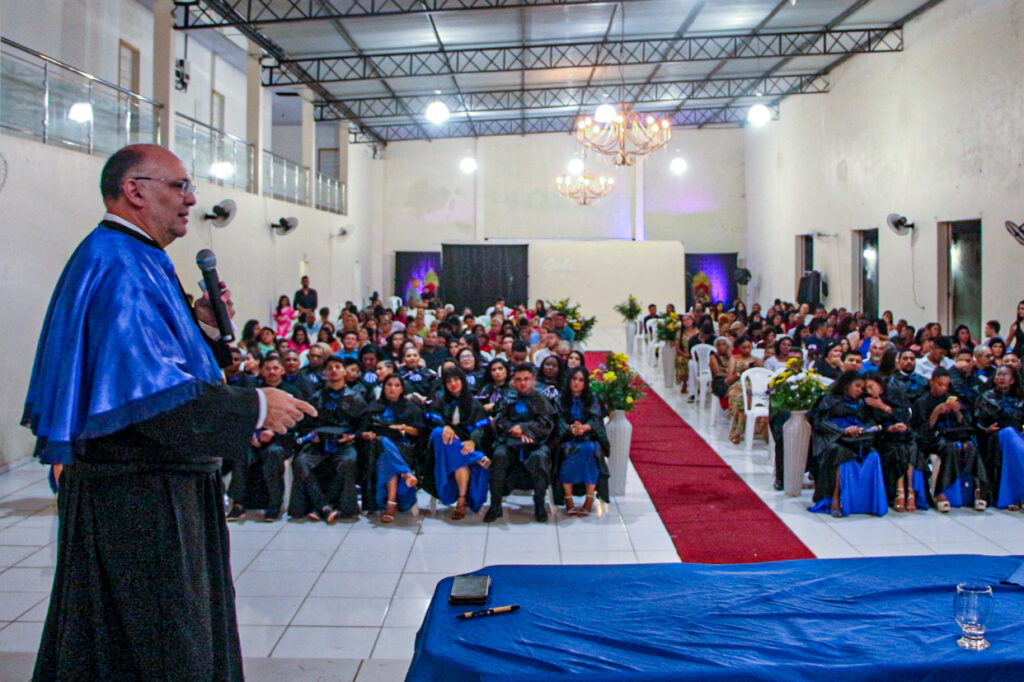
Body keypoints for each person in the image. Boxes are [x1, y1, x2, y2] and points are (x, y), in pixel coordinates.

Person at [22, 144, 314, 681]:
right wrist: (255, 406)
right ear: (134, 190)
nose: (192, 199)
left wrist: (201, 328)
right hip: (141, 497)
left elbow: (153, 367)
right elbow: (147, 404)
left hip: (151, 487)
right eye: (179, 186)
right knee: (157, 643)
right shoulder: (119, 267)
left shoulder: (136, 257)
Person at [291, 355, 366, 522]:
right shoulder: (316, 397)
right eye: (330, 367)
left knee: (349, 461)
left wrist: (352, 437)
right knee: (301, 461)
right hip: (319, 443)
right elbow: (305, 423)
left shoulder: (355, 397)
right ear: (324, 372)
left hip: (343, 444)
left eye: (337, 367)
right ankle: (324, 505)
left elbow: (363, 424)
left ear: (345, 371)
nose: (333, 370)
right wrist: (313, 435)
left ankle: (327, 506)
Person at [487, 364, 558, 522]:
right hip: (510, 440)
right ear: (513, 382)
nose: (522, 383)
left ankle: (539, 502)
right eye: (518, 380)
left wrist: (525, 429)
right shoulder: (507, 397)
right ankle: (495, 504)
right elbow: (498, 419)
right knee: (499, 455)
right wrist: (513, 429)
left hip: (536, 442)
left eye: (526, 379)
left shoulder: (541, 399)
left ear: (534, 381)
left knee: (539, 458)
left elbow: (547, 423)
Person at [912, 367, 987, 512]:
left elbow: (965, 424)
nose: (943, 388)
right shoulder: (921, 402)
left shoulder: (951, 398)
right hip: (932, 439)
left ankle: (979, 489)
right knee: (949, 447)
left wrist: (958, 413)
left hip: (953, 434)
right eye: (940, 384)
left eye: (946, 385)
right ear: (932, 382)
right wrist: (936, 413)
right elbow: (921, 433)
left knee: (970, 446)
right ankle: (941, 492)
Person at [426, 367, 491, 519]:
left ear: (462, 381)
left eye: (456, 380)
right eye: (448, 382)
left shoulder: (473, 402)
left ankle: (461, 501)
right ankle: (475, 457)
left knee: (459, 460)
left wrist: (472, 441)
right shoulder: (440, 399)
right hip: (442, 446)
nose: (453, 384)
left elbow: (479, 427)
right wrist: (445, 426)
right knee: (437, 433)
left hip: (464, 444)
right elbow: (432, 418)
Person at [360, 374, 425, 522]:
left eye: (397, 385)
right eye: (389, 385)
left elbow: (419, 433)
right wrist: (367, 435)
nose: (392, 389)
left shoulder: (410, 407)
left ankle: (390, 505)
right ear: (383, 387)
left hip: (403, 448)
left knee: (386, 453)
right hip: (375, 449)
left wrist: (403, 427)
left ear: (402, 389)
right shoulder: (374, 406)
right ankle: (405, 475)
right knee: (382, 442)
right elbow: (361, 431)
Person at [553, 367, 610, 515]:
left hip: (588, 437)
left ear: (585, 383)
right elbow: (558, 421)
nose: (577, 383)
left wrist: (585, 427)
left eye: (580, 380)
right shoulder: (560, 399)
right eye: (574, 379)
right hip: (567, 439)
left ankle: (589, 500)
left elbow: (597, 419)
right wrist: (570, 428)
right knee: (569, 452)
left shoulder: (592, 398)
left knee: (590, 450)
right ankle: (568, 500)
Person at [973, 365, 1024, 510]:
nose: (1001, 378)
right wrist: (986, 429)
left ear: (1013, 380)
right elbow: (978, 422)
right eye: (998, 375)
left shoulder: (1021, 398)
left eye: (1005, 375)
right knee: (1007, 432)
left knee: (1012, 436)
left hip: (1018, 435)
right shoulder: (986, 397)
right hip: (995, 437)